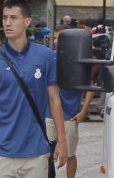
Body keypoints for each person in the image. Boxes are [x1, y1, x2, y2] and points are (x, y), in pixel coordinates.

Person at [0, 0, 68, 178]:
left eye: (13, 18)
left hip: (36, 152)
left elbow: (55, 100)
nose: (7, 23)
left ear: (27, 21)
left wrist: (62, 141)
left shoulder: (45, 56)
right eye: (4, 17)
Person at [47, 27, 95, 178]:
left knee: (70, 155)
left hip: (70, 115)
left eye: (58, 38)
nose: (55, 41)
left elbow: (91, 86)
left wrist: (83, 111)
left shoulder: (79, 59)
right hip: (48, 115)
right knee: (43, 154)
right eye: (54, 38)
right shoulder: (49, 57)